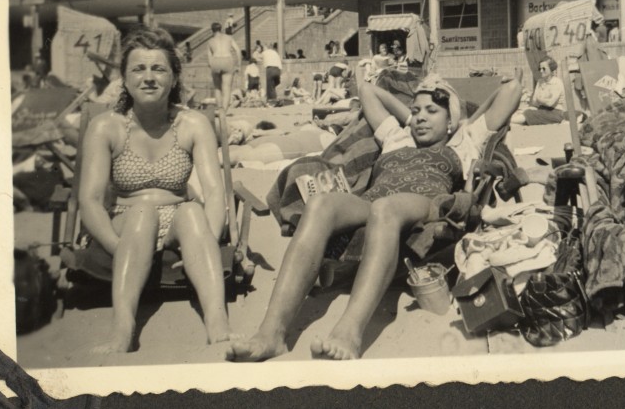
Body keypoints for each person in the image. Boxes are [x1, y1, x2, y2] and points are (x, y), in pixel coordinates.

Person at [227, 73, 522, 361]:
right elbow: (367, 90)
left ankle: (349, 332)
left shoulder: (464, 140)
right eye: (417, 111)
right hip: (374, 202)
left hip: (427, 205)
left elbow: (511, 91)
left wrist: (464, 119)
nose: (420, 117)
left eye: (431, 111)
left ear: (450, 121)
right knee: (320, 205)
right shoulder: (396, 136)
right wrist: (411, 116)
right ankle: (271, 334)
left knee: (386, 208)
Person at [79, 27, 233, 353]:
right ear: (124, 78)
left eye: (159, 68)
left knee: (192, 210)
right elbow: (90, 200)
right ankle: (123, 330)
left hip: (179, 221)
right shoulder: (105, 126)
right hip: (127, 221)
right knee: (143, 213)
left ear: (174, 78)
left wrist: (210, 238)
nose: (149, 77)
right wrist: (116, 245)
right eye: (139, 68)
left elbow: (215, 192)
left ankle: (218, 323)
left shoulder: (194, 124)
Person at [511, 56, 566, 125]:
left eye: (544, 69)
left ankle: (509, 121)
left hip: (555, 113)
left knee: (529, 114)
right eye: (540, 68)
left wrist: (539, 98)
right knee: (524, 111)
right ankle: (511, 121)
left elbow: (550, 103)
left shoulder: (557, 82)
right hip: (542, 110)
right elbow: (534, 102)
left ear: (551, 69)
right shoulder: (540, 82)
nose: (541, 71)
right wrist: (540, 100)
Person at [207, 22, 240, 111]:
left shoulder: (210, 41)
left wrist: (212, 67)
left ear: (212, 31)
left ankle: (219, 108)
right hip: (227, 59)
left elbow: (209, 58)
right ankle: (224, 111)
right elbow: (237, 50)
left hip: (215, 60)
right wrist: (238, 64)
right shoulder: (229, 38)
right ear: (221, 29)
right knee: (227, 87)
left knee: (217, 87)